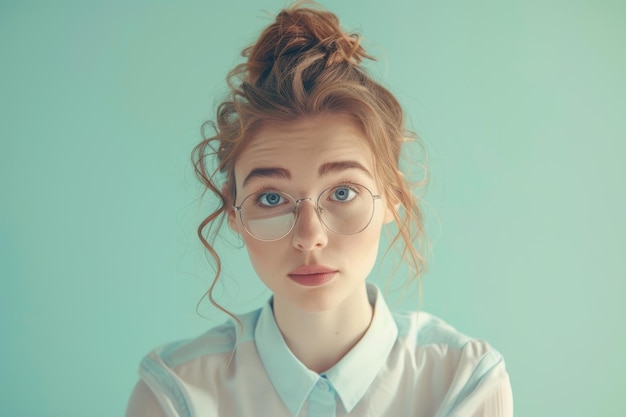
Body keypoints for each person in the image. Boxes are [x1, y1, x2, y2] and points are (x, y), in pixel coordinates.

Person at [125, 3, 513, 416]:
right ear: (233, 213)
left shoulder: (463, 381)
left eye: (343, 192)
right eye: (271, 198)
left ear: (392, 197)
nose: (309, 236)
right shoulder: (175, 393)